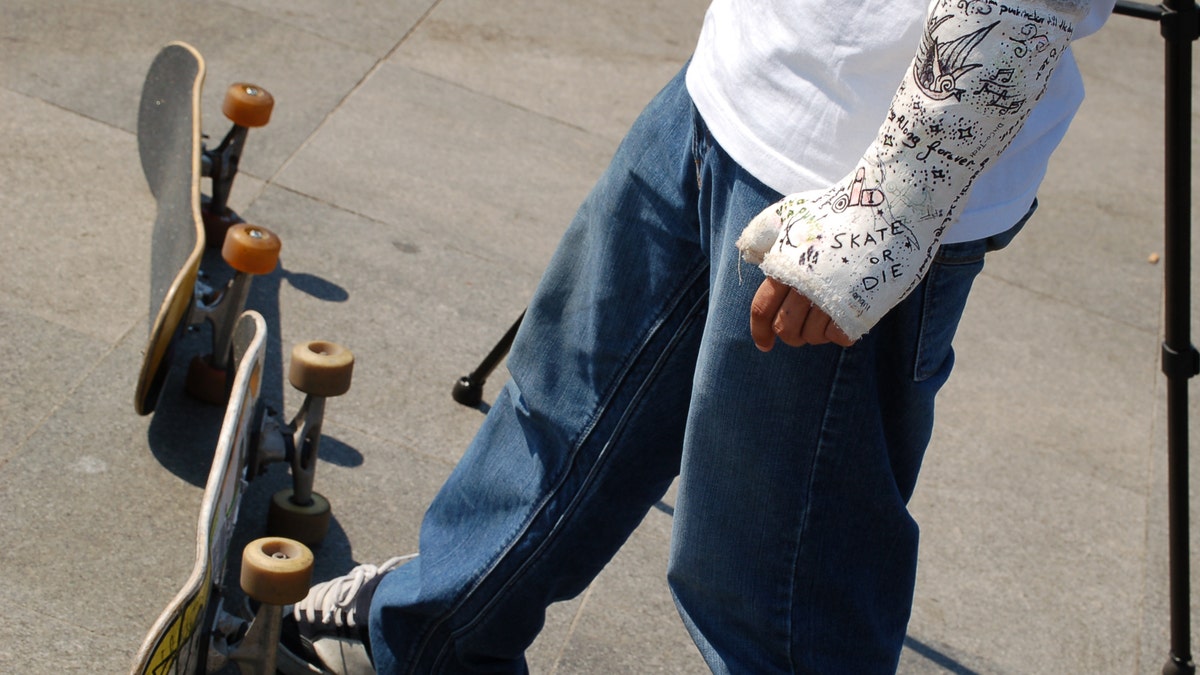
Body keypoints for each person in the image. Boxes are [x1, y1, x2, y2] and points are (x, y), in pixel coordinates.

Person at [280, 0, 1115, 672]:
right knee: (563, 413)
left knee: (777, 599)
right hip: (737, 75)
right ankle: (427, 636)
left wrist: (890, 211)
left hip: (855, 179)